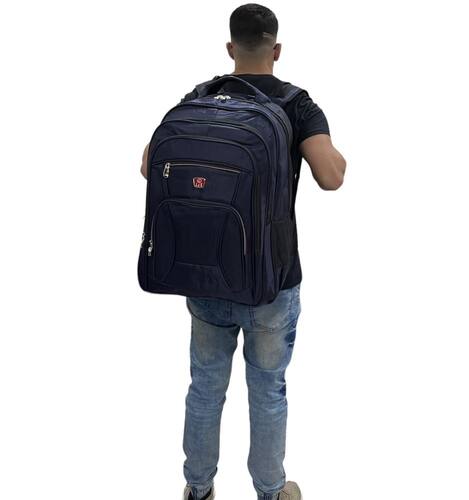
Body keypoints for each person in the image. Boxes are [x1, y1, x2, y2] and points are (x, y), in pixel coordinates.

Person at [140, 4, 346, 499]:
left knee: (205, 387)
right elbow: (331, 176)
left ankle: (198, 488)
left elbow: (150, 164)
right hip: (273, 281)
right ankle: (272, 491)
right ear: (277, 50)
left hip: (204, 274)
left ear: (230, 48)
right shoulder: (296, 105)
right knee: (267, 391)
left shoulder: (200, 97)